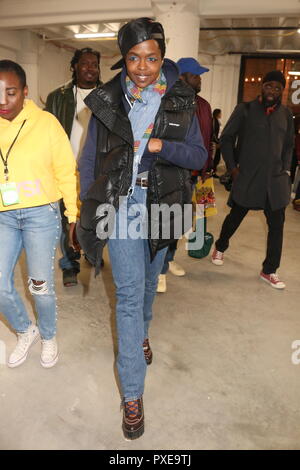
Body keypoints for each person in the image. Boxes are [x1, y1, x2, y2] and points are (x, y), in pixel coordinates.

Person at [77, 18, 207, 439]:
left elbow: (197, 156)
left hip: (164, 202)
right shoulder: (105, 101)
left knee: (151, 283)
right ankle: (132, 394)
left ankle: (143, 336)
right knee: (129, 295)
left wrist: (159, 145)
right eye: (134, 57)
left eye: (151, 57)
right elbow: (88, 163)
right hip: (121, 203)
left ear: (162, 57)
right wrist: (88, 210)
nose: (143, 66)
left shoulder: (182, 99)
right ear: (124, 59)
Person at [0, 60, 77, 368]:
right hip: (4, 214)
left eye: (11, 92)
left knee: (40, 284)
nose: (3, 101)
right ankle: (25, 329)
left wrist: (73, 214)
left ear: (26, 92)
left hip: (40, 215)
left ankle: (48, 335)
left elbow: (65, 171)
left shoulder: (46, 123)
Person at [211, 70, 294, 289]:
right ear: (262, 86)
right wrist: (232, 168)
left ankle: (269, 270)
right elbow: (226, 138)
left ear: (281, 92)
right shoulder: (245, 110)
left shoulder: (285, 115)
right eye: (269, 86)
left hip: (275, 181)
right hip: (248, 177)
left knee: (277, 226)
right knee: (235, 216)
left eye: (277, 88)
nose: (272, 91)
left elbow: (288, 145)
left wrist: (285, 170)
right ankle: (220, 246)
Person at [45, 47, 101, 287]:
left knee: (95, 217)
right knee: (65, 218)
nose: (90, 68)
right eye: (85, 64)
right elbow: (46, 134)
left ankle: (91, 250)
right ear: (75, 67)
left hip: (96, 170)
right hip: (65, 169)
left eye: (95, 64)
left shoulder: (110, 96)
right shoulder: (58, 97)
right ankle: (69, 264)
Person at [157, 57, 213, 293]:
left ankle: (168, 259)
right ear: (181, 77)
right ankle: (158, 270)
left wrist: (206, 170)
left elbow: (207, 139)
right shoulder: (168, 102)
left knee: (182, 222)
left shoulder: (204, 105)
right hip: (172, 173)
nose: (199, 79)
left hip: (197, 174)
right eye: (195, 75)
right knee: (165, 221)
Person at [212, 108, 222, 177]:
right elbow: (213, 133)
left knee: (217, 158)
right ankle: (212, 172)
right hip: (214, 142)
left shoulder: (217, 121)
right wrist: (217, 142)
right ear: (217, 114)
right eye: (220, 113)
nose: (221, 115)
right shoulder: (213, 121)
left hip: (217, 141)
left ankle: (214, 172)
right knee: (214, 158)